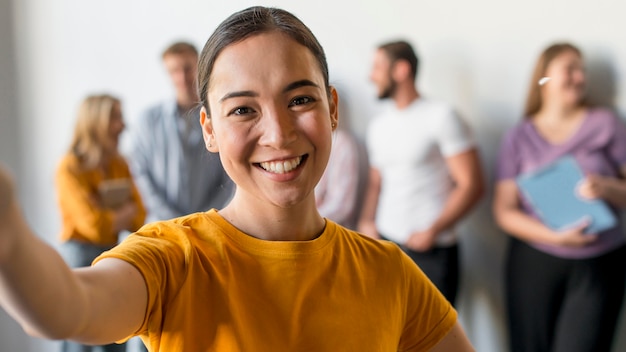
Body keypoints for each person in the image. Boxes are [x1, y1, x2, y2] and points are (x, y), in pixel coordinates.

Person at [0, 6, 475, 351]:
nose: (278, 134)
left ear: (331, 108)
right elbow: (67, 306)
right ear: (209, 129)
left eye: (300, 100)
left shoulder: (388, 272)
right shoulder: (174, 258)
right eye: (244, 109)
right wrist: (7, 235)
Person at [493, 42, 626, 352]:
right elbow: (504, 210)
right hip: (535, 261)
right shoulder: (519, 136)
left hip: (599, 263)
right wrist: (555, 236)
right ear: (545, 78)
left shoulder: (606, 124)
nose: (579, 77)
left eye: (582, 71)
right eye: (570, 69)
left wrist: (606, 188)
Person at [358, 40, 485, 305]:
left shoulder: (441, 116)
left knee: (433, 343)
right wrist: (367, 222)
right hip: (386, 246)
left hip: (432, 251)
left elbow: (471, 185)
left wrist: (433, 230)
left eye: (378, 67)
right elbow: (376, 181)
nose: (371, 76)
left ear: (401, 70)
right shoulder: (379, 125)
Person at [55, 94, 146, 352]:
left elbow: (139, 217)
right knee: (79, 339)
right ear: (95, 122)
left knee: (113, 335)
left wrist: (109, 215)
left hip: (111, 254)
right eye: (115, 117)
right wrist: (121, 213)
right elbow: (93, 226)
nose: (123, 125)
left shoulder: (119, 163)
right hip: (79, 258)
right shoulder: (69, 168)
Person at [125, 41, 234, 224]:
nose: (182, 77)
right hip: (161, 225)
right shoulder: (147, 121)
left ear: (199, 67)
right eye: (174, 71)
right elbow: (140, 173)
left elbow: (229, 172)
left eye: (187, 68)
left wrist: (201, 218)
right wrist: (175, 221)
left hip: (208, 223)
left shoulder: (219, 116)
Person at [314, 97, 367, 230]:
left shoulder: (342, 143)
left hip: (332, 230)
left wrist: (308, 219)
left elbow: (343, 206)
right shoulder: (316, 141)